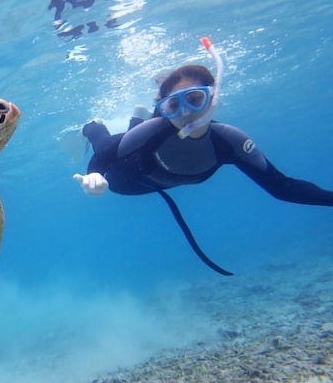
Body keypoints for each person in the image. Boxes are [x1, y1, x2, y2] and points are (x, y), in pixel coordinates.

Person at [73, 58, 333, 275]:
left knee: (134, 136)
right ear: (163, 110)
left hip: (158, 176)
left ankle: (135, 116)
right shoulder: (153, 131)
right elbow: (104, 156)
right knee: (104, 142)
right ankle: (92, 126)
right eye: (174, 105)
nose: (186, 113)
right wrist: (93, 176)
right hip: (127, 180)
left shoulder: (229, 141)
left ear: (212, 100)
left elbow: (281, 187)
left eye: (195, 100)